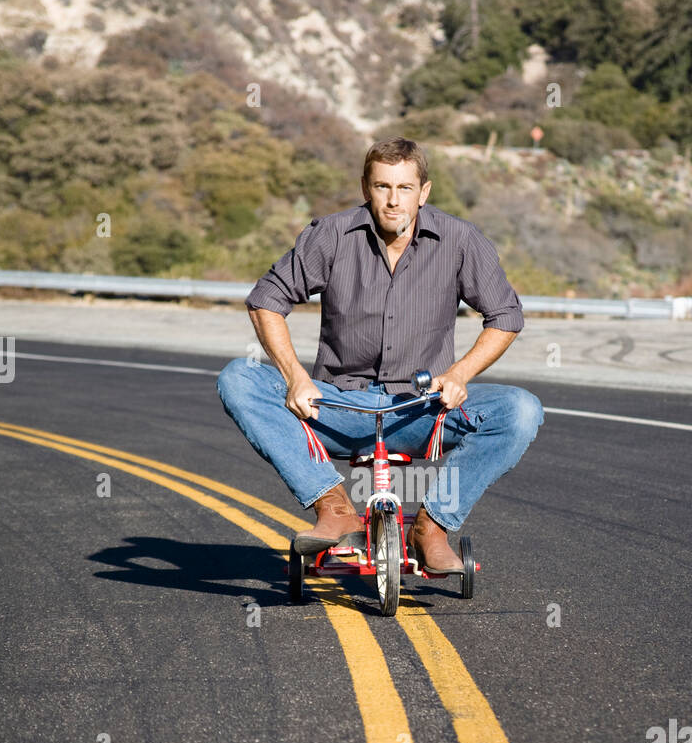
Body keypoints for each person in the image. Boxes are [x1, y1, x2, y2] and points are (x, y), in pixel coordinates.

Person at [216, 137, 543, 572]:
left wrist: (460, 374)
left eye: (404, 188)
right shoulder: (331, 235)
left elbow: (506, 316)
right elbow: (266, 300)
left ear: (423, 192)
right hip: (336, 406)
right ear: (366, 188)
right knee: (238, 377)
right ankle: (333, 508)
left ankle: (432, 526)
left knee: (521, 410)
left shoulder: (460, 239)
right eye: (382, 187)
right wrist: (295, 376)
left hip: (423, 410)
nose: (393, 200)